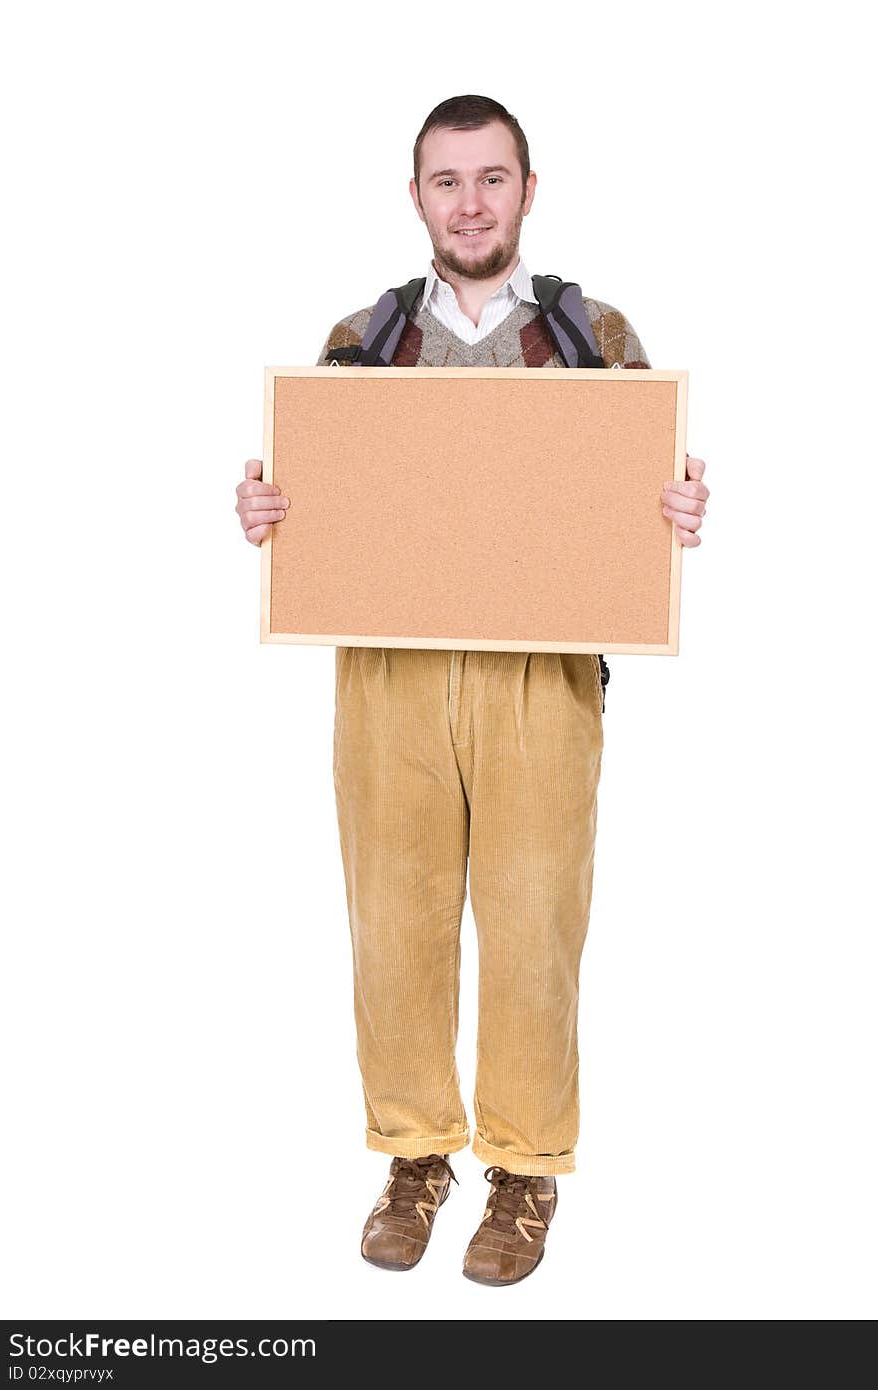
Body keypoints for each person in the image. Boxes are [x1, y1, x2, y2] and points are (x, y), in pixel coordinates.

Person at [235, 94, 709, 1286]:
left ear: (527, 191)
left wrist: (673, 511)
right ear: (418, 199)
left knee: (536, 925)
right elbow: (321, 506)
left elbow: (635, 502)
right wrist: (272, 515)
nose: (471, 202)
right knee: (391, 924)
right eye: (447, 181)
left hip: (540, 680)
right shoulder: (358, 342)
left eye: (492, 178)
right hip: (386, 674)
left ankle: (524, 1167)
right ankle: (412, 1153)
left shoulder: (593, 333)